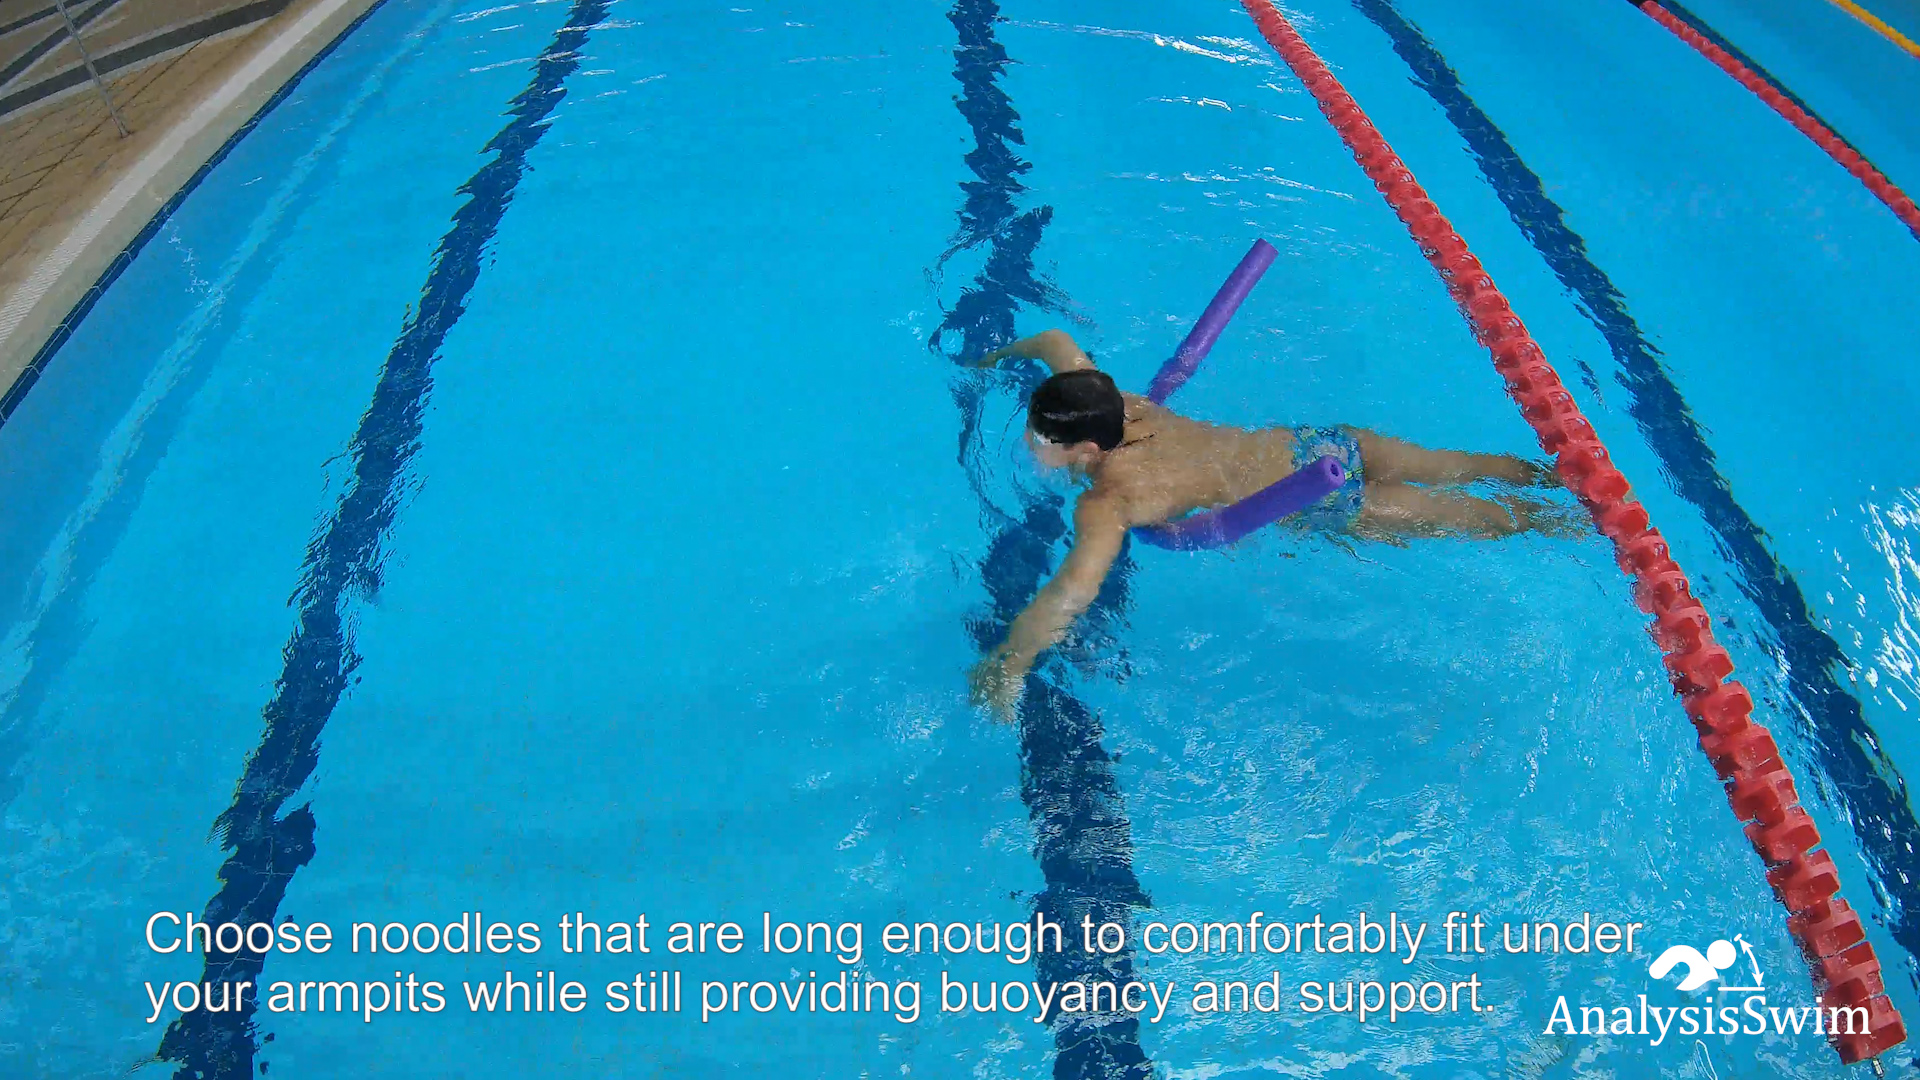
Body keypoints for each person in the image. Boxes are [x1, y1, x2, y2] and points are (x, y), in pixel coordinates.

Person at [966, 328, 1565, 716]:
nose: (1030, 441)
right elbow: (1054, 342)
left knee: (1480, 519)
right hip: (1323, 444)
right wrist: (995, 358)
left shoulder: (1109, 500)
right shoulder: (1120, 403)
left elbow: (1072, 591)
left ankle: (1576, 526)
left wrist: (1009, 663)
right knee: (1460, 466)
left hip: (1314, 498)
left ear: (1087, 452)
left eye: (1041, 438)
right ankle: (1565, 475)